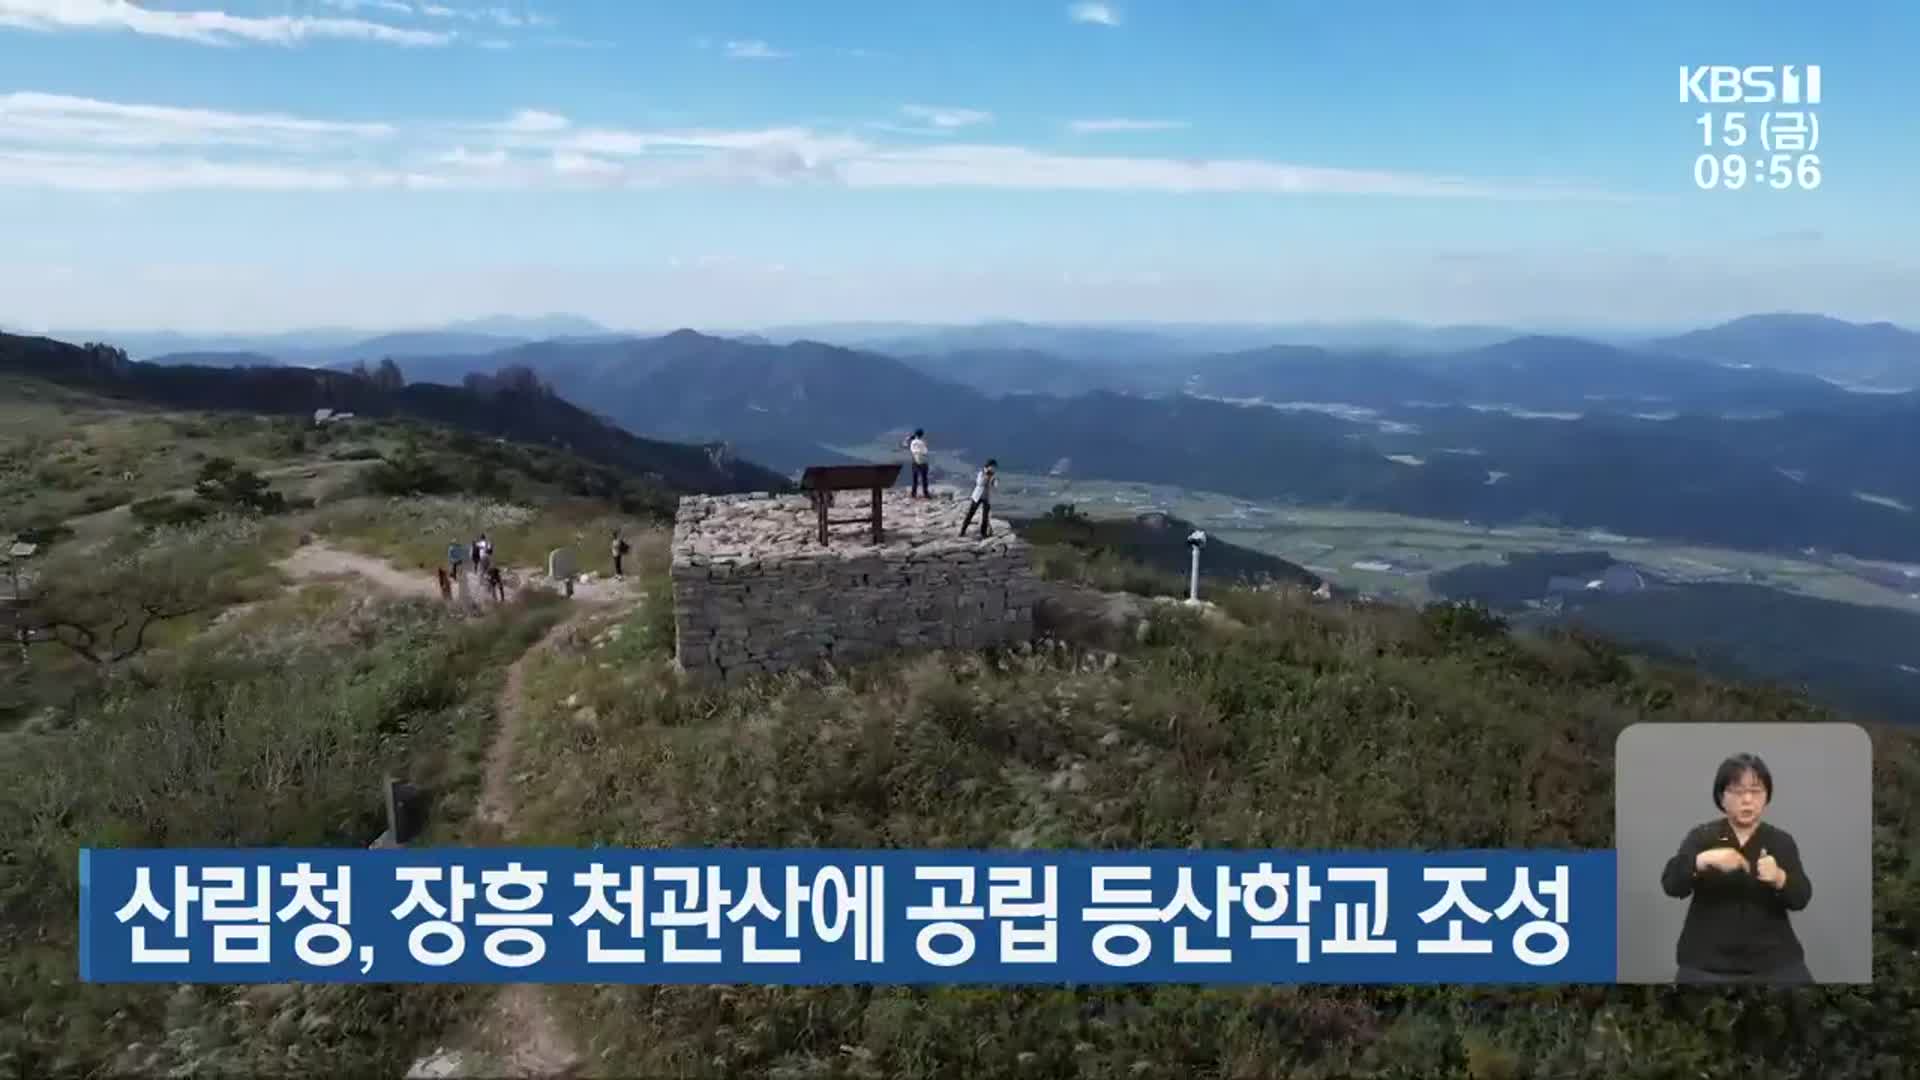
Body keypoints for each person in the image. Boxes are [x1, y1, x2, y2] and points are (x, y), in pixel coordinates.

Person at [1659, 752, 1814, 984]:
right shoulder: (1702, 836)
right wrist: (1702, 861)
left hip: (1775, 963)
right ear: (1722, 797)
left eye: (1756, 791)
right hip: (1705, 964)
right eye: (1738, 791)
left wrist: (1780, 878)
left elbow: (1801, 897)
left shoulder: (1781, 841)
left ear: (1767, 797)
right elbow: (1671, 885)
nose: (1748, 799)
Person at [960, 459, 997, 538]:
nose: (993, 468)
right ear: (988, 466)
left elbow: (995, 485)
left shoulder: (993, 475)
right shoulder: (981, 473)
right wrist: (987, 476)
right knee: (971, 513)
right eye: (992, 467)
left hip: (986, 497)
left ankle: (983, 533)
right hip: (977, 496)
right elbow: (979, 483)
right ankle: (962, 530)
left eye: (994, 467)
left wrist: (994, 481)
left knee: (985, 516)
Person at [904, 428, 930, 498]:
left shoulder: (912, 442)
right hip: (923, 462)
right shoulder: (922, 442)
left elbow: (905, 445)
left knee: (915, 479)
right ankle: (926, 493)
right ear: (922, 435)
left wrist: (908, 438)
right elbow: (925, 452)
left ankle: (913, 493)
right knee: (924, 479)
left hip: (915, 461)